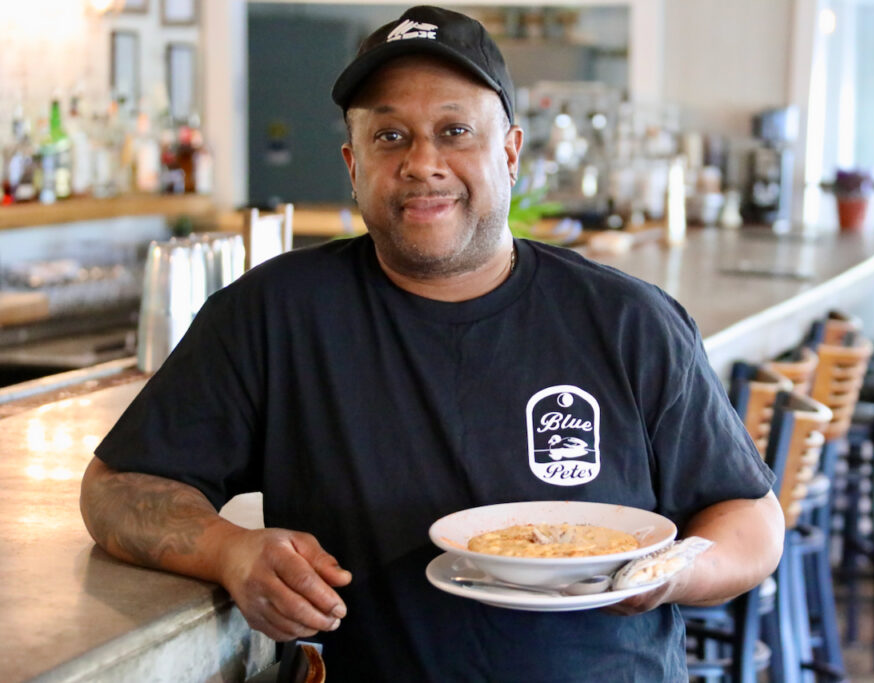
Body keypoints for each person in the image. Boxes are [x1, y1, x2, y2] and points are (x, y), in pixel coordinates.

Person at [80, 6, 784, 681]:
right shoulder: (273, 315)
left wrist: (670, 574)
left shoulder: (627, 320)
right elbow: (116, 490)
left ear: (510, 152)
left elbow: (751, 518)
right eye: (390, 136)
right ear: (353, 164)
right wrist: (228, 550)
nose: (423, 162)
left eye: (455, 131)